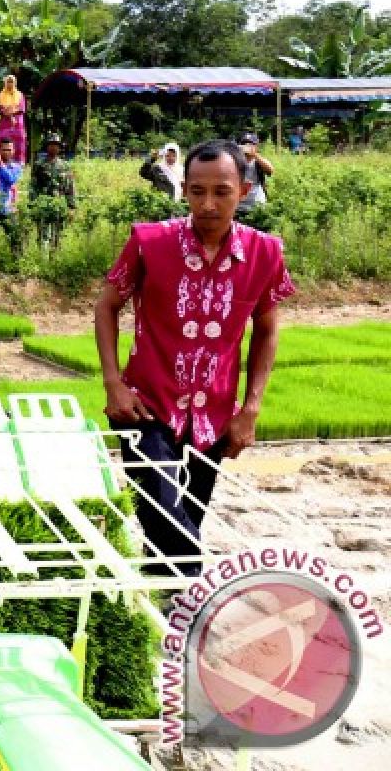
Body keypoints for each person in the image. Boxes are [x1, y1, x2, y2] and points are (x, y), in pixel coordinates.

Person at [94, 139, 296, 578]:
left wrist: (251, 409)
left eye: (221, 191)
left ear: (243, 190)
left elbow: (267, 326)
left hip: (216, 417)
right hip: (145, 406)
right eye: (197, 191)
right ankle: (206, 597)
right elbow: (107, 304)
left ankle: (166, 622)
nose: (208, 203)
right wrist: (114, 383)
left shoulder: (265, 253)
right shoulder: (150, 242)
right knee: (168, 521)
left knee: (173, 528)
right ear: (184, 190)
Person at [29, 133, 76, 248]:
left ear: (60, 148)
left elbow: (70, 187)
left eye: (56, 145)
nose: (53, 147)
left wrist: (72, 207)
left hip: (58, 205)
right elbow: (33, 186)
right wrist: (33, 205)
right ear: (47, 146)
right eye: (51, 144)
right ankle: (42, 261)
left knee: (57, 236)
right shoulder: (39, 165)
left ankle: (54, 261)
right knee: (43, 236)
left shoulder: (65, 166)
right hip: (43, 204)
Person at [236, 133, 273, 218]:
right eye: (244, 144)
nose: (247, 146)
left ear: (256, 147)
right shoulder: (235, 160)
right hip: (238, 207)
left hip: (257, 205)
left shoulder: (258, 161)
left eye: (250, 144)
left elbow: (270, 170)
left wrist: (255, 154)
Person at [0, 74, 27, 164]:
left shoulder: (20, 94)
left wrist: (11, 112)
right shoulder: (1, 95)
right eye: (8, 82)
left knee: (19, 141)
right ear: (5, 83)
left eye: (11, 82)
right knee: (3, 140)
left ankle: (20, 161)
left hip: (17, 122)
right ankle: (2, 161)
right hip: (5, 122)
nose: (10, 84)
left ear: (15, 83)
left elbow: (22, 108)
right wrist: (8, 114)